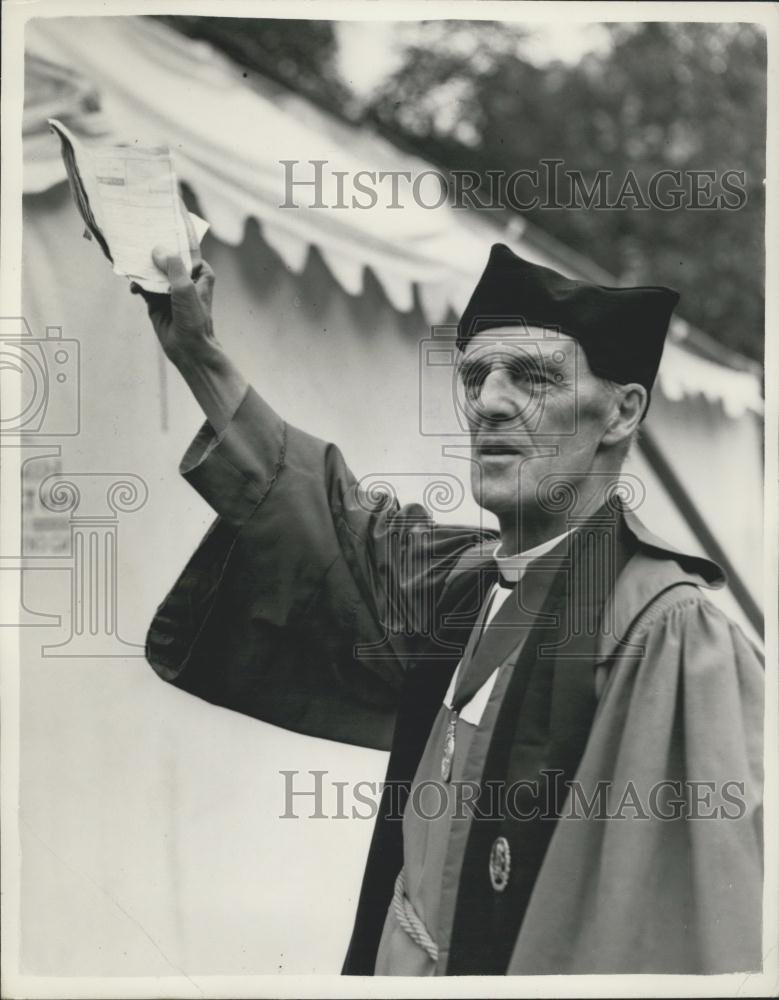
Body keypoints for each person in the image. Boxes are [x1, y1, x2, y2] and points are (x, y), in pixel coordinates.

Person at [136, 238, 763, 976]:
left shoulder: (666, 634)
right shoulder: (468, 582)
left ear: (621, 411)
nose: (489, 402)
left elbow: (674, 932)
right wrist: (199, 354)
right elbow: (335, 516)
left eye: (530, 376)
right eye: (474, 375)